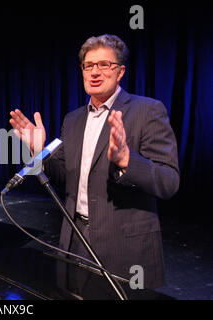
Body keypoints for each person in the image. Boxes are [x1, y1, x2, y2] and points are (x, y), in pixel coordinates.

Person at [9, 34, 179, 289]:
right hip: (75, 238)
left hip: (124, 245)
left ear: (120, 72)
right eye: (89, 65)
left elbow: (169, 181)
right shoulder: (73, 119)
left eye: (104, 65)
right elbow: (64, 176)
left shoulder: (148, 110)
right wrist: (40, 151)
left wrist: (126, 160)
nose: (95, 72)